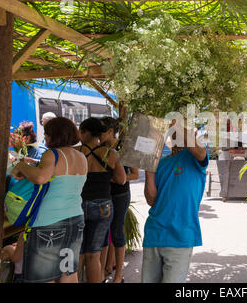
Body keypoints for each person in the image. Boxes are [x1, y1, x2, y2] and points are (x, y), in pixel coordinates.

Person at [10, 117, 88, 283]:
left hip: (49, 223)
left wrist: (20, 165)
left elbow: (40, 178)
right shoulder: (81, 156)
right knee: (68, 273)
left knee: (43, 278)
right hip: (76, 220)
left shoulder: (52, 154)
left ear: (54, 135)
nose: (45, 138)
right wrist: (34, 163)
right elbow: (59, 175)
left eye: (47, 134)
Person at [141, 120, 208, 283]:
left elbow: (198, 150)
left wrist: (177, 124)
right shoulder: (161, 162)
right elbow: (151, 200)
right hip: (154, 233)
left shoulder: (195, 158)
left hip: (180, 236)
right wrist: (149, 171)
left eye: (185, 130)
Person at [75, 117, 126, 283]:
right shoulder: (110, 154)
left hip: (78, 205)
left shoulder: (75, 153)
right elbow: (121, 180)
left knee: (78, 254)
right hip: (103, 205)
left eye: (80, 131)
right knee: (93, 255)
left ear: (86, 132)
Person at [99, 116, 140, 283]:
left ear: (110, 132)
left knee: (117, 231)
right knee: (102, 233)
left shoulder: (125, 148)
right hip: (102, 195)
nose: (98, 134)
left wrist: (116, 179)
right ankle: (103, 270)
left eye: (101, 131)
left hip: (120, 194)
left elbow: (136, 175)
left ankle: (118, 275)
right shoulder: (99, 148)